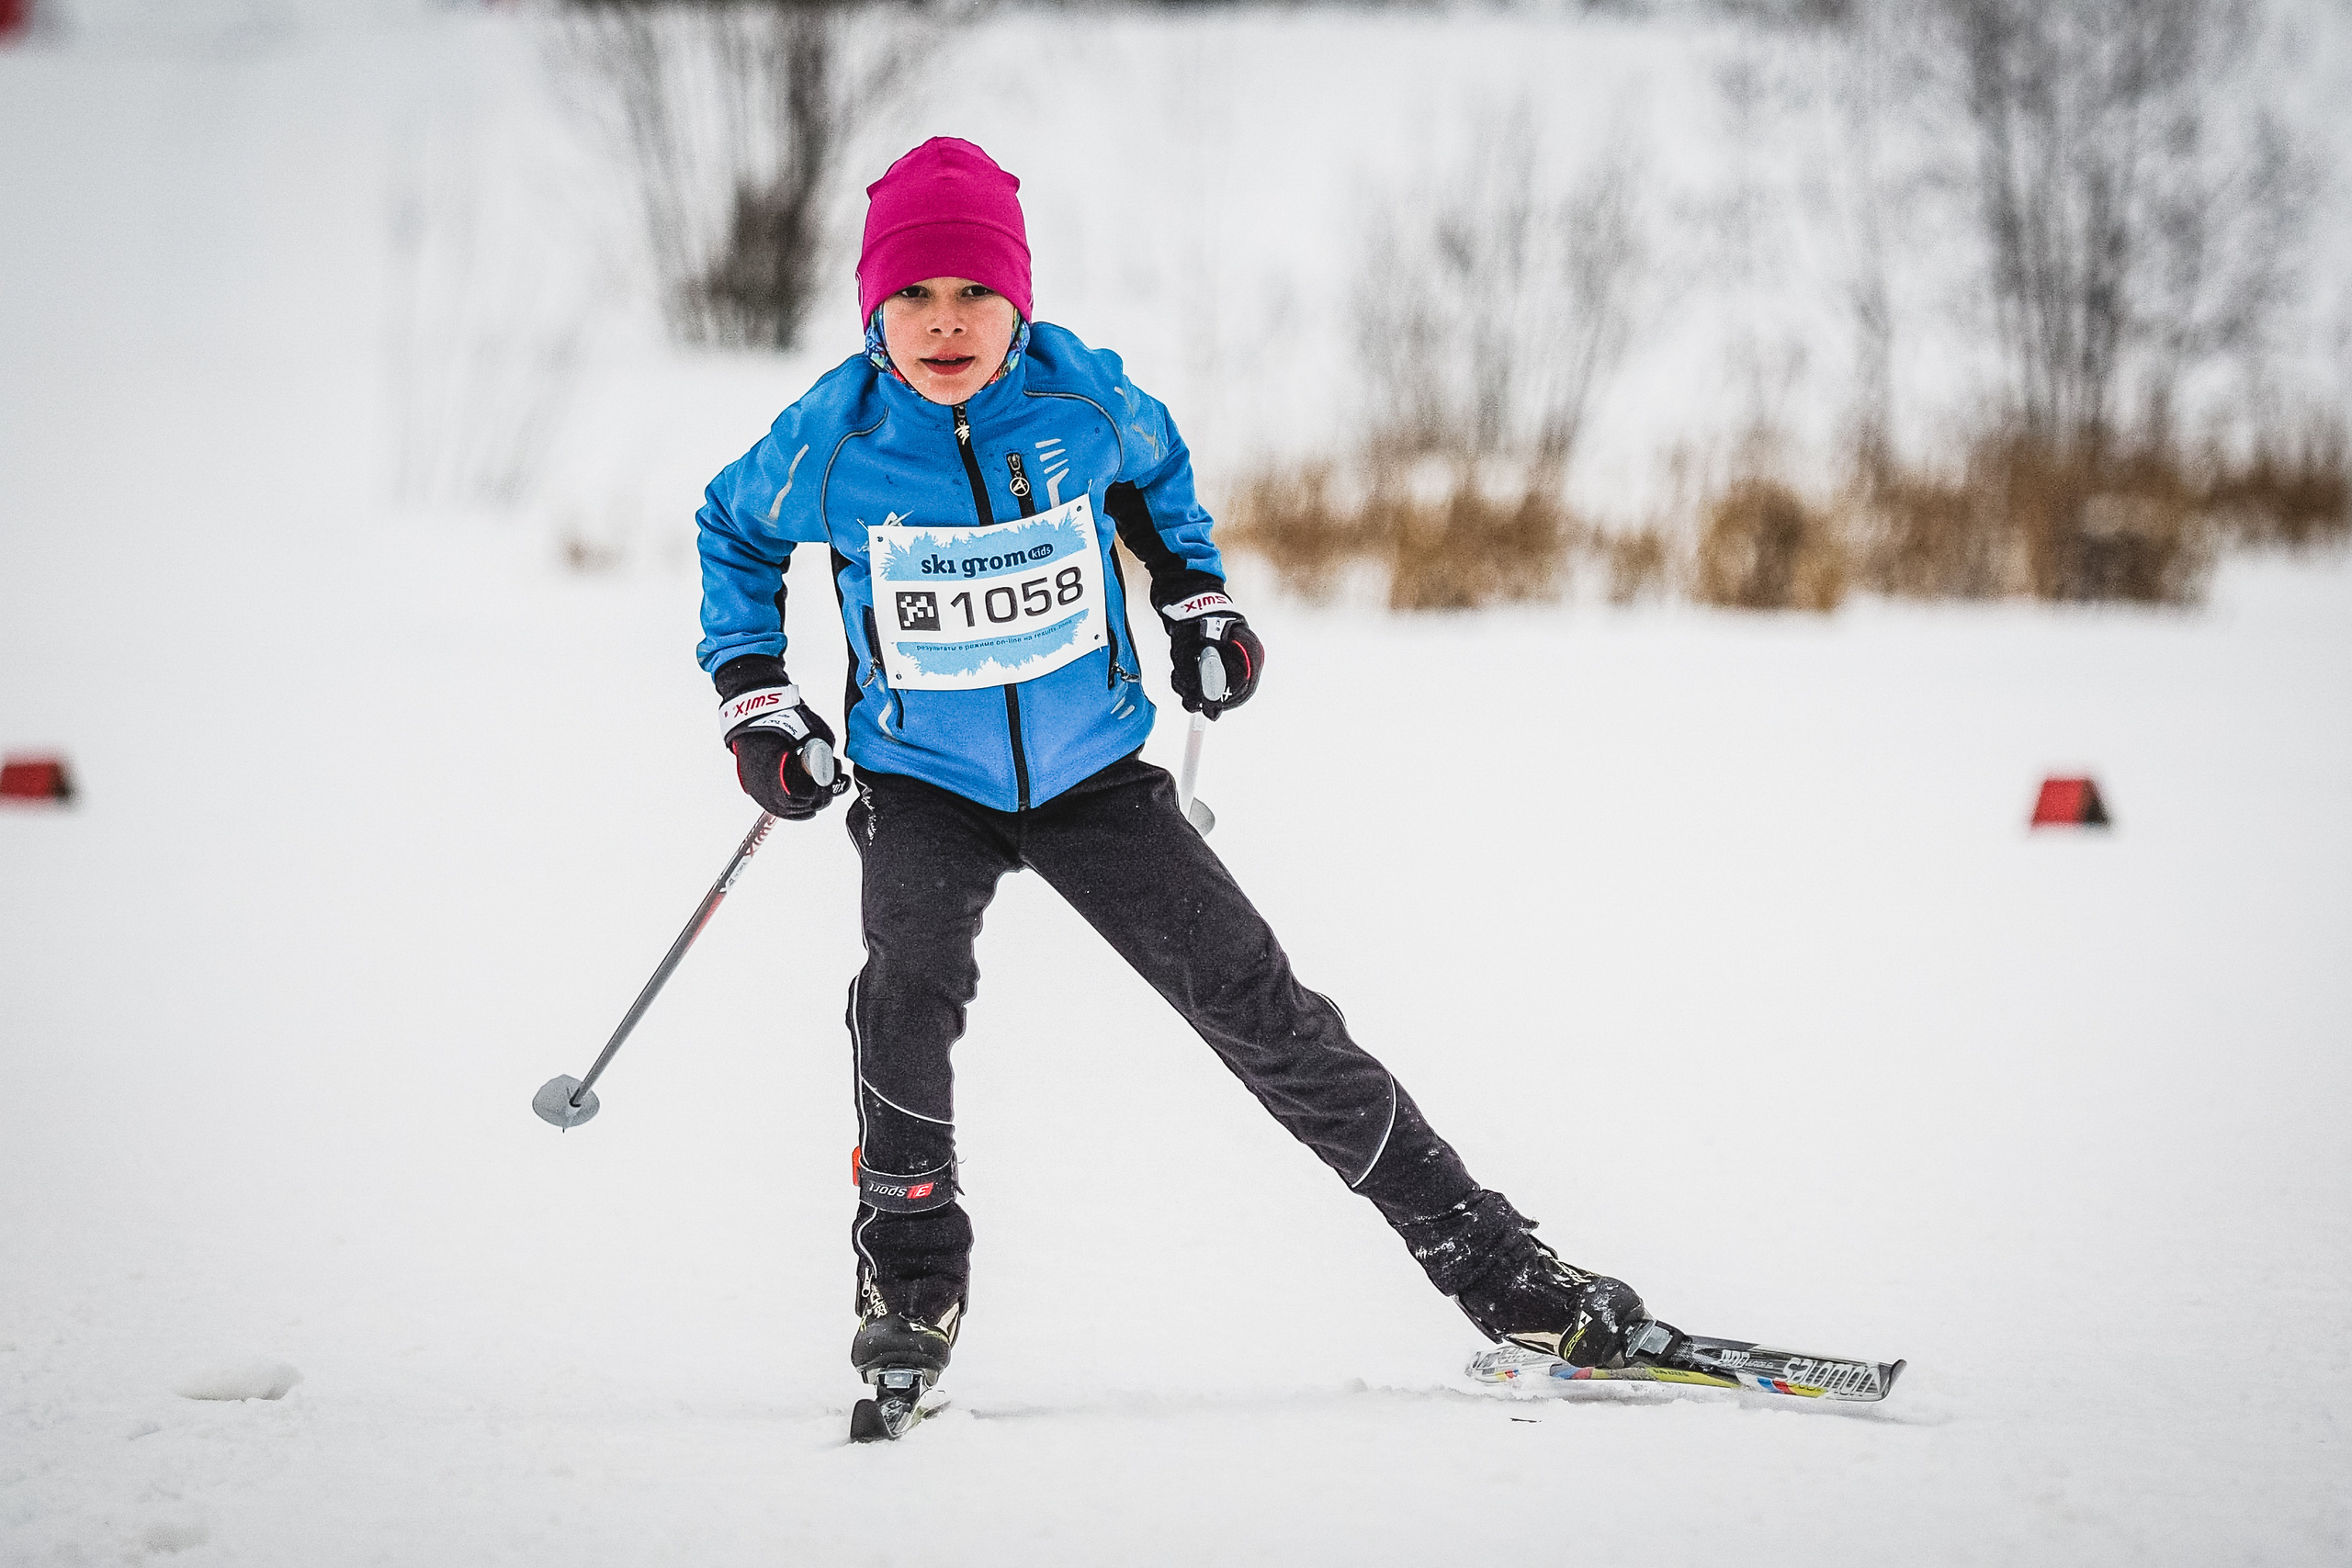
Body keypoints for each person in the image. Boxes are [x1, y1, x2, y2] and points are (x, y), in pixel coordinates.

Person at [694, 138, 1650, 1416]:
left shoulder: (1082, 401)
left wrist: (1197, 597)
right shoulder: (832, 438)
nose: (945, 325)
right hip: (922, 775)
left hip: (1094, 773)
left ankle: (1498, 1268)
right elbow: (732, 532)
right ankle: (911, 1277)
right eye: (912, 297)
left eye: (975, 294)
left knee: (1261, 1004)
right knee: (905, 988)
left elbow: (1154, 483)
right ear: (873, 308)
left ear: (1018, 302)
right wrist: (757, 700)